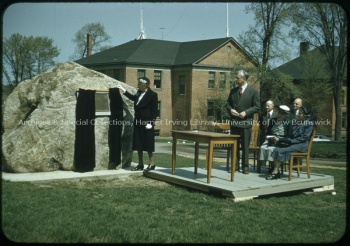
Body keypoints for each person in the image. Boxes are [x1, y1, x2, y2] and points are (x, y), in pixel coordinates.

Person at [117, 77, 158, 171]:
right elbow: (133, 98)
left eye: (139, 84)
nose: (138, 85)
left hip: (147, 123)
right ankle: (140, 164)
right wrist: (123, 90)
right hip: (138, 122)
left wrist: (151, 123)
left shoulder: (152, 95)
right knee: (138, 143)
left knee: (148, 144)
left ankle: (152, 164)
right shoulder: (139, 93)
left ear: (145, 85)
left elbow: (155, 111)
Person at [226, 69, 260, 174]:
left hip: (245, 123)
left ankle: (245, 166)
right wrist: (231, 110)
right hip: (235, 122)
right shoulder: (233, 91)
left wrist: (246, 112)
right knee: (234, 145)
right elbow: (228, 104)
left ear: (244, 79)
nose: (236, 79)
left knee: (245, 146)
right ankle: (235, 166)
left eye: (238, 77)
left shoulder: (253, 91)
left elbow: (257, 107)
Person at [266, 106, 314, 180]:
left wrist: (290, 141)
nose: (298, 115)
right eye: (299, 113)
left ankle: (275, 172)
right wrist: (280, 139)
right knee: (277, 149)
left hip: (301, 145)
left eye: (300, 113)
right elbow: (290, 135)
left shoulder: (309, 124)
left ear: (305, 115)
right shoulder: (296, 122)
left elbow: (303, 138)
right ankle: (276, 171)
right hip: (294, 144)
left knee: (280, 150)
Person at [258, 105, 292, 172]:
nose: (279, 115)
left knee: (271, 149)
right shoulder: (273, 120)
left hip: (281, 141)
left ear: (285, 115)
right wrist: (270, 137)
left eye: (282, 114)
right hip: (271, 139)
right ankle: (266, 165)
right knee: (262, 148)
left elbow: (289, 136)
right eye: (279, 113)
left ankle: (274, 167)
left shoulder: (288, 122)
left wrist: (279, 139)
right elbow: (268, 132)